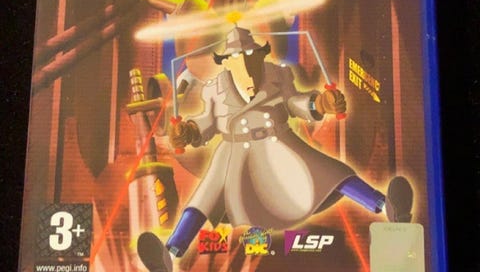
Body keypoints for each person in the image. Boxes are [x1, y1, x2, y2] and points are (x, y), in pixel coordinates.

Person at [138, 26, 413, 272]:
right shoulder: (214, 89)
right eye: (237, 57)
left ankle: (385, 204)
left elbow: (295, 103)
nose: (246, 65)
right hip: (234, 154)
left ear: (261, 55)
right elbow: (206, 124)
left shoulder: (278, 75)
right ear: (226, 61)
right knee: (203, 199)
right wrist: (188, 132)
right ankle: (170, 251)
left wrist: (320, 104)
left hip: (279, 143)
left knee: (333, 173)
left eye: (251, 55)